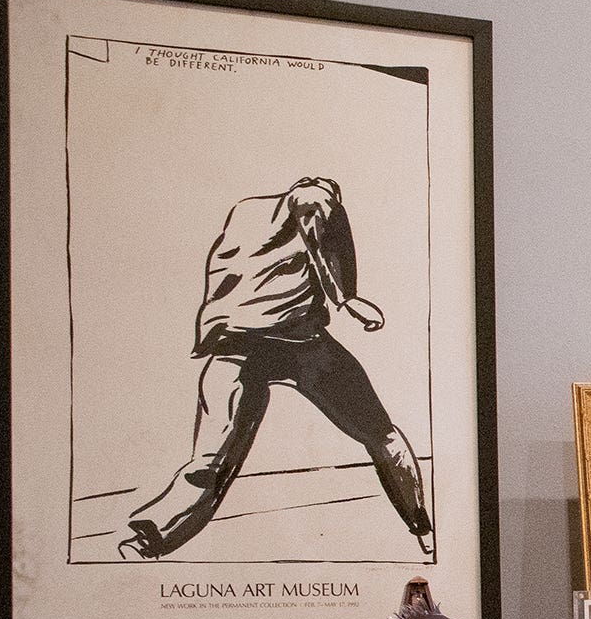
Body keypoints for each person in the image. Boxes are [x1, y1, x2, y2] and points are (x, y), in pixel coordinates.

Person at [121, 176, 432, 560]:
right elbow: (317, 228)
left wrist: (218, 327)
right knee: (380, 434)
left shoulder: (244, 213)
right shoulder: (313, 194)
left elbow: (224, 276)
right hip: (300, 344)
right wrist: (346, 297)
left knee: (210, 460)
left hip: (235, 343)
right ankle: (423, 528)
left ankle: (149, 539)